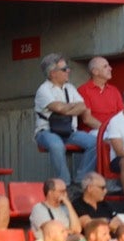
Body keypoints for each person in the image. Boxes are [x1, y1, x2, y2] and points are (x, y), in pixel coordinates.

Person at [32, 53, 99, 186]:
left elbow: (82, 107)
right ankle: (65, 184)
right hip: (47, 132)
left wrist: (65, 108)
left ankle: (81, 181)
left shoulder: (70, 88)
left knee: (96, 143)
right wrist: (69, 107)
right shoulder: (43, 90)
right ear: (52, 73)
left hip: (69, 131)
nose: (68, 71)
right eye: (64, 69)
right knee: (57, 145)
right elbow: (58, 107)